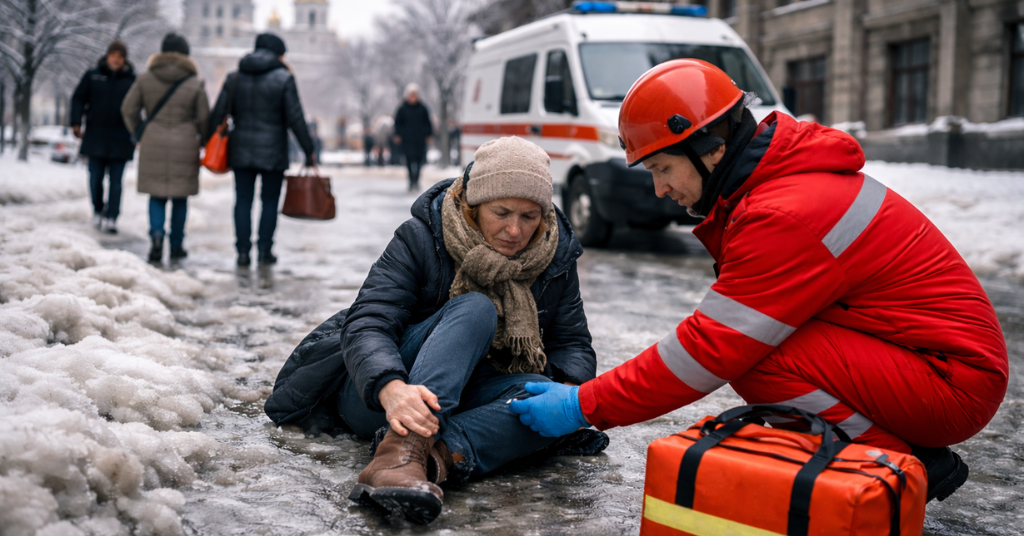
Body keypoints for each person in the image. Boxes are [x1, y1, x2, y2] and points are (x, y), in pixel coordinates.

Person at [510, 60, 1009, 504]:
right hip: (929, 361)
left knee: (757, 357)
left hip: (952, 383)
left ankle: (899, 465)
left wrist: (583, 405)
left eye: (662, 168)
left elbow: (706, 350)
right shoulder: (778, 187)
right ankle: (903, 452)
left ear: (710, 146)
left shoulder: (782, 213)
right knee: (756, 346)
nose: (660, 189)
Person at [264, 136, 605, 524]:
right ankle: (402, 450)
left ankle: (436, 458)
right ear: (474, 206)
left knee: (553, 405)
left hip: (474, 392)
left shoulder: (555, 255)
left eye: (529, 217)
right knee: (477, 309)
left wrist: (559, 391)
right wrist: (390, 387)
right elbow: (368, 323)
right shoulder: (422, 236)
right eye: (502, 212)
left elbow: (574, 346)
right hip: (383, 392)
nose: (515, 229)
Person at [208, 32, 316, 267]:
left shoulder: (234, 77)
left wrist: (206, 139)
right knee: (269, 201)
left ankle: (243, 252)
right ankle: (265, 250)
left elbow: (217, 114)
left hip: (240, 149)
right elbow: (296, 118)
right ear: (278, 54)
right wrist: (309, 149)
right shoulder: (284, 78)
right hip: (273, 150)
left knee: (243, 200)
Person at [121, 33, 210, 263]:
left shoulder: (145, 78)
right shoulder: (195, 82)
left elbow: (128, 109)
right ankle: (177, 245)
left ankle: (157, 238)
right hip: (186, 142)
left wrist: (139, 131)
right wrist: (202, 139)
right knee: (180, 197)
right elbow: (204, 118)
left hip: (152, 141)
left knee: (157, 195)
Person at [71, 40, 136, 234]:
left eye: (120, 56)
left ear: (124, 59)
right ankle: (98, 210)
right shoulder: (93, 76)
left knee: (116, 183)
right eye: (113, 55)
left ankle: (112, 217)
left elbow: (140, 107)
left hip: (121, 139)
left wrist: (138, 131)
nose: (116, 59)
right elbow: (78, 98)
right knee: (95, 178)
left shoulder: (132, 80)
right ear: (107, 56)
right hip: (95, 137)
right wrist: (75, 122)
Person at [393, 83, 433, 191]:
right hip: (407, 139)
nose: (413, 97)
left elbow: (428, 122)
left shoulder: (423, 108)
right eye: (411, 95)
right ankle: (411, 181)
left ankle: (417, 180)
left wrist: (429, 134)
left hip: (420, 139)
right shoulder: (402, 109)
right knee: (409, 161)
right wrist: (397, 134)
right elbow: (397, 123)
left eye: (415, 95)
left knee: (420, 161)